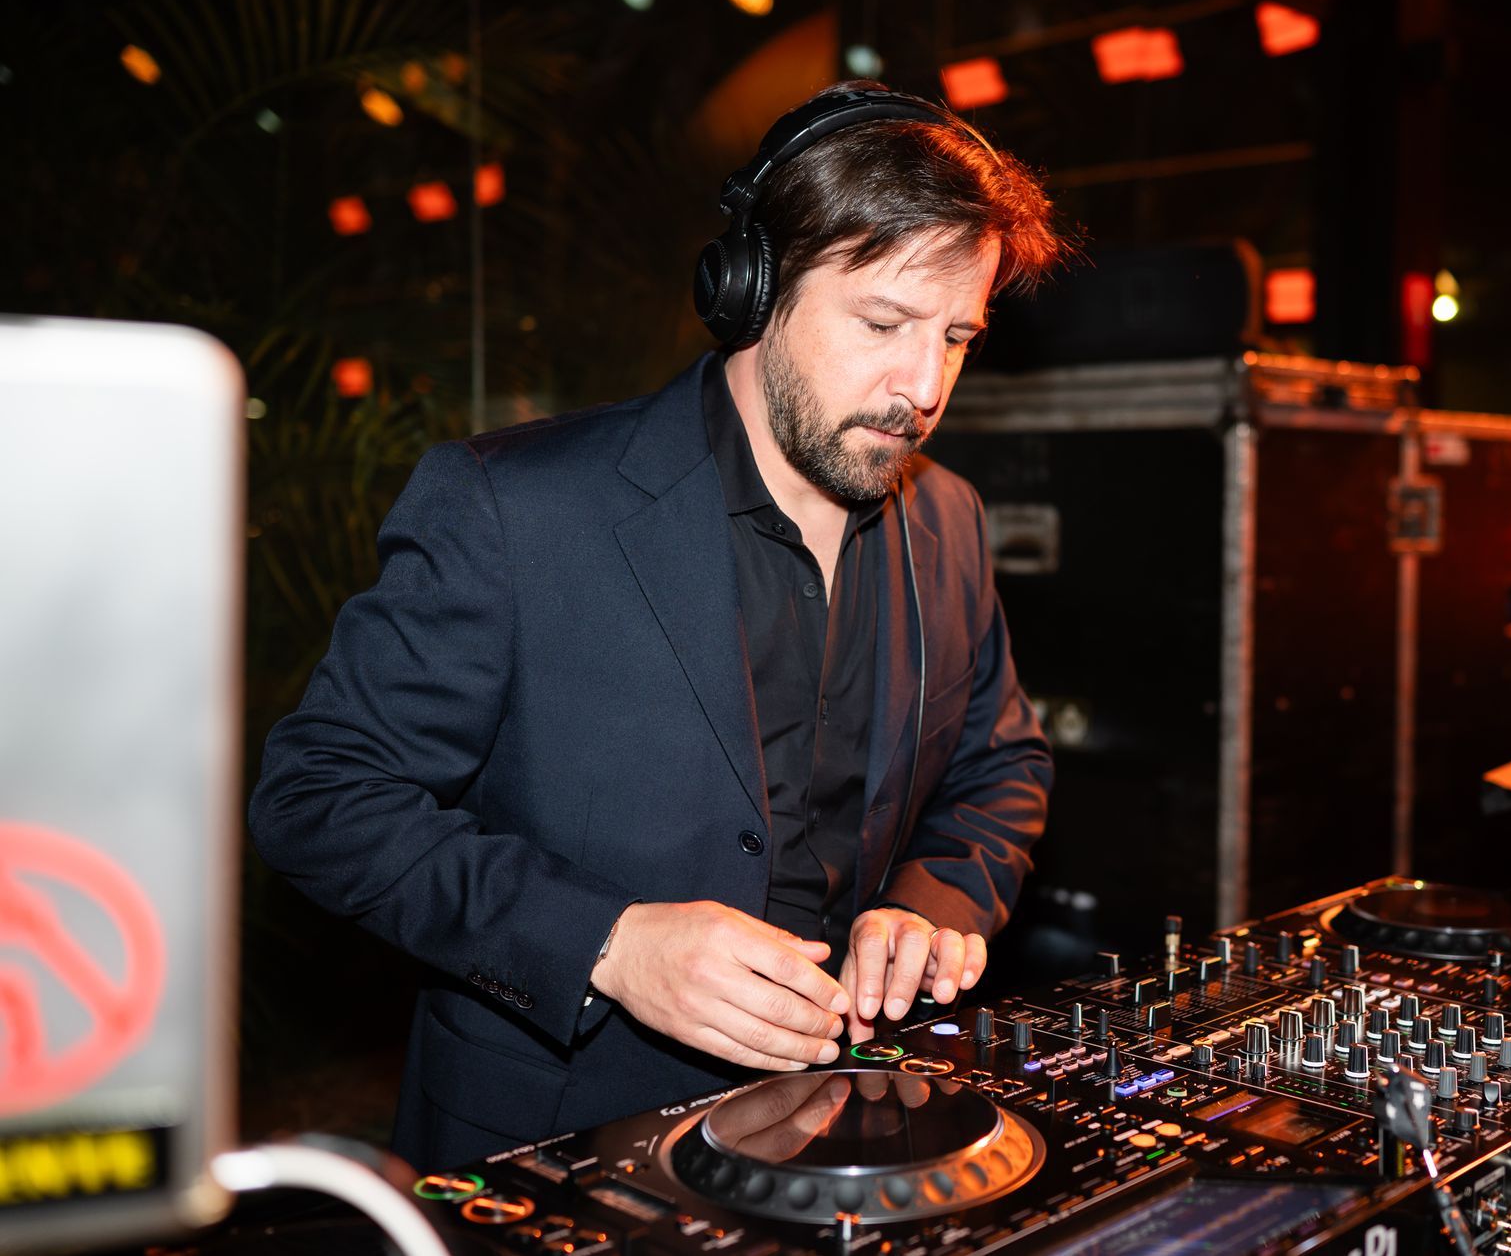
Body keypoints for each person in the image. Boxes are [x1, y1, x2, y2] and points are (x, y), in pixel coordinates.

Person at [248, 83, 1067, 1171]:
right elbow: (320, 797)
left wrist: (932, 903)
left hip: (846, 1142)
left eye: (957, 336)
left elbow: (1001, 766)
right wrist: (608, 944)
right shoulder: (514, 506)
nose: (923, 385)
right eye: (883, 323)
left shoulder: (949, 517)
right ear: (754, 288)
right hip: (556, 1149)